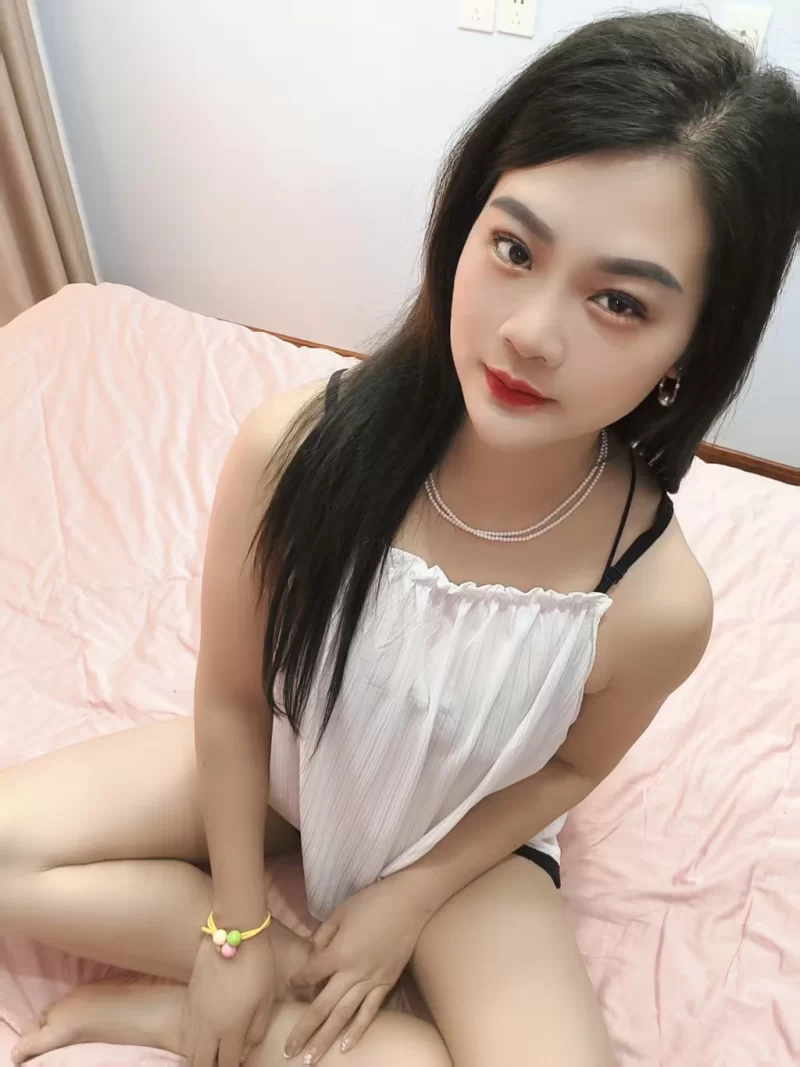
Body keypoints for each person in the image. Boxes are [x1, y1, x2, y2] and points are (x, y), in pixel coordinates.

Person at [3, 10, 800, 1067]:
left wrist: (412, 892)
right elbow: (233, 697)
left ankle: (268, 1016)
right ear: (465, 223)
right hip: (292, 763)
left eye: (617, 301)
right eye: (512, 248)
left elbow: (567, 767)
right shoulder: (295, 448)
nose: (530, 332)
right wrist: (234, 931)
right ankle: (270, 999)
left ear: (689, 347)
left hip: (470, 843)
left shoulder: (654, 599)